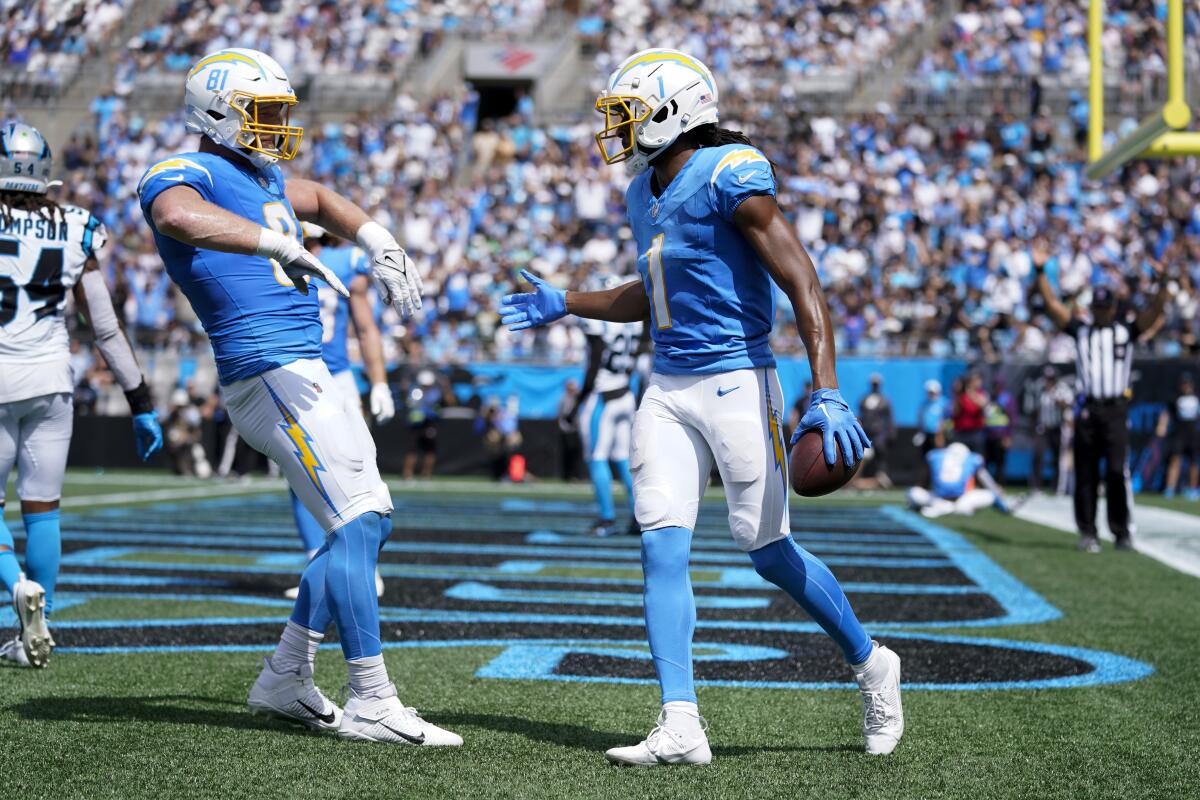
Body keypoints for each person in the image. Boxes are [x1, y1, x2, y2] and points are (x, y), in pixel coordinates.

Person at [500, 48, 902, 765]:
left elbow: (803, 282)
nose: (617, 129)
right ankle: (680, 722)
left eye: (627, 113)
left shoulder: (730, 174)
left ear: (670, 111)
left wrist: (828, 387)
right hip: (668, 389)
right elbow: (649, 295)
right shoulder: (640, 193)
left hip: (739, 383)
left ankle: (873, 663)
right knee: (660, 542)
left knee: (768, 550)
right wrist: (567, 302)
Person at [137, 49, 459, 746]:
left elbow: (320, 200)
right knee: (359, 521)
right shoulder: (181, 171)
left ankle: (286, 674)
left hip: (305, 366)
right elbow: (178, 218)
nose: (278, 127)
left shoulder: (264, 175)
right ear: (217, 113)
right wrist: (271, 245)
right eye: (264, 113)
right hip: (267, 370)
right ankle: (371, 697)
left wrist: (377, 238)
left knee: (369, 524)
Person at [0, 122, 163, 668]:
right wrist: (140, 401)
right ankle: (33, 636)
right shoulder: (75, 227)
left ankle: (17, 587)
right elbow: (107, 328)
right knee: (43, 511)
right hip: (52, 381)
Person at [1032, 241, 1172, 552]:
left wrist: (1162, 282)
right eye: (1096, 308)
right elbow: (1053, 306)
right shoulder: (1081, 331)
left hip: (1115, 410)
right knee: (1085, 473)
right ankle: (1088, 532)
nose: (1100, 312)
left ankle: (1121, 532)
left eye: (1104, 307)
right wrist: (1040, 271)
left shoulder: (1125, 332)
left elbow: (1155, 312)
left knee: (1115, 471)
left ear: (1112, 307)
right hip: (1088, 410)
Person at [285, 223, 393, 601]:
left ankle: (362, 565)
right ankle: (320, 567)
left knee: (352, 471)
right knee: (307, 475)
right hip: (296, 375)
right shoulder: (273, 255)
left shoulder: (343, 260)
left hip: (330, 375)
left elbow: (365, 328)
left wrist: (378, 381)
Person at [569, 273, 644, 536]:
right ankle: (639, 517)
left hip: (603, 395)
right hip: (626, 393)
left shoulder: (601, 323)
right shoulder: (634, 323)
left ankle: (607, 519)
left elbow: (594, 364)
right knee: (622, 458)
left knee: (597, 457)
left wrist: (575, 403)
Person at [907, 442, 1012, 518]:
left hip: (937, 499)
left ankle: (935, 507)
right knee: (991, 495)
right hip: (961, 501)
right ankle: (1005, 507)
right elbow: (986, 481)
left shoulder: (935, 456)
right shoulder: (973, 458)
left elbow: (922, 483)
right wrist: (997, 492)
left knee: (913, 492)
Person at [1030, 366, 1071, 495]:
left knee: (1057, 458)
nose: (1049, 382)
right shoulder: (1040, 389)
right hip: (1043, 427)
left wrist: (1054, 396)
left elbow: (1067, 405)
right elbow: (1035, 409)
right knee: (1038, 455)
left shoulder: (1062, 389)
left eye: (1051, 379)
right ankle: (1036, 487)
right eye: (1047, 379)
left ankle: (1056, 487)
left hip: (1057, 427)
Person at [1161, 374, 1200, 499]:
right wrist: (1162, 426)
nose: (1186, 386)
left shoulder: (1196, 397)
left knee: (1194, 462)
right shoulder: (1176, 397)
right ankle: (1170, 488)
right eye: (1184, 383)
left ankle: (1193, 489)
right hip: (1179, 434)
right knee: (1175, 460)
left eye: (1188, 383)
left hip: (1193, 435)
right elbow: (1166, 413)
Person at [857, 372, 895, 488]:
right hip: (867, 432)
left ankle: (881, 478)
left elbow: (889, 418)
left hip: (879, 433)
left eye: (876, 384)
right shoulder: (864, 399)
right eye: (873, 384)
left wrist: (890, 432)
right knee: (863, 455)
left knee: (880, 455)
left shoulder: (884, 400)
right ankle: (859, 479)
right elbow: (861, 415)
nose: (875, 386)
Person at [983, 376, 1015, 481]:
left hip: (1001, 435)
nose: (997, 388)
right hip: (989, 435)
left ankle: (999, 485)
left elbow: (1012, 418)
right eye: (995, 385)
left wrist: (1008, 436)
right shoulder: (990, 398)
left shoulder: (1007, 399)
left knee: (1000, 463)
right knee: (986, 462)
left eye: (999, 385)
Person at [557, 379, 583, 481]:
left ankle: (575, 475)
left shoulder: (577, 398)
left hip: (576, 429)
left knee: (576, 454)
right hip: (566, 430)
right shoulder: (564, 399)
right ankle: (567, 475)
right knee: (567, 453)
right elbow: (562, 415)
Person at [915, 379, 948, 456]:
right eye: (929, 392)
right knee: (926, 456)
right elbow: (920, 419)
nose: (931, 394)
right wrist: (920, 432)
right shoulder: (924, 404)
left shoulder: (944, 403)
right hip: (926, 434)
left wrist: (942, 432)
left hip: (939, 434)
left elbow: (947, 420)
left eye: (933, 392)